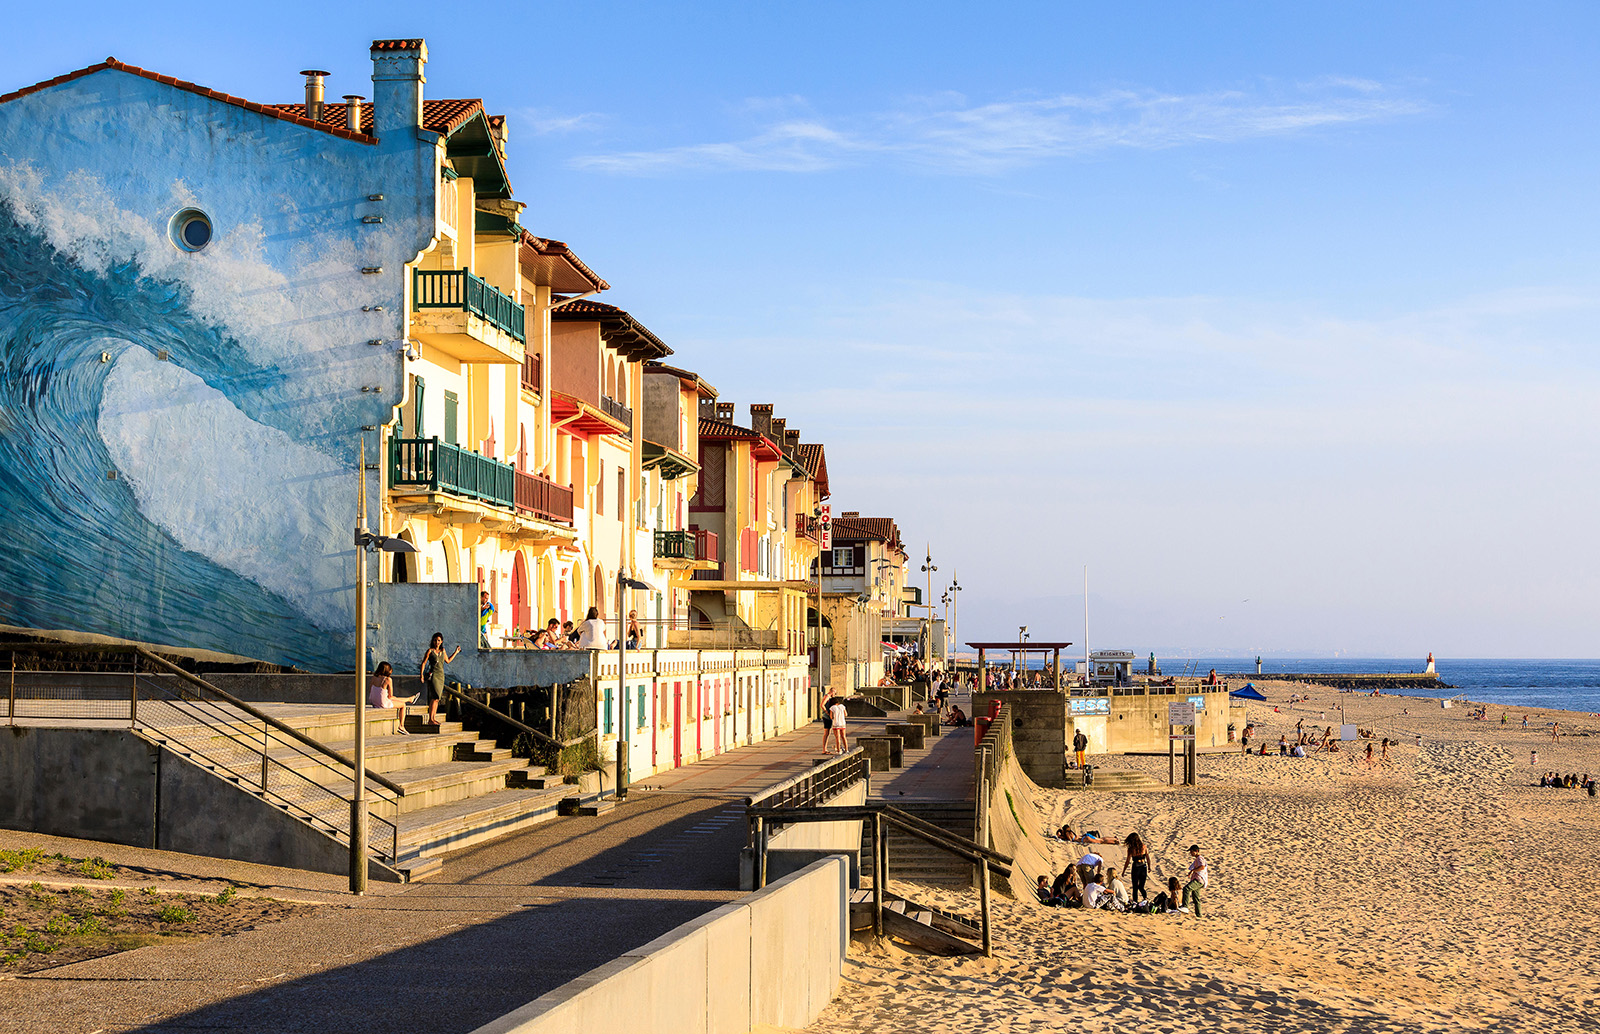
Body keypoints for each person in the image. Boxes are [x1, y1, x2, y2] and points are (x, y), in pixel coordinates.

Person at [420, 633, 460, 729]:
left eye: (438, 640)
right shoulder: (430, 651)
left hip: (441, 676)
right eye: (435, 640)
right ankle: (430, 719)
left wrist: (456, 652)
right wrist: (421, 675)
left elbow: (448, 660)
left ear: (441, 641)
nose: (436, 642)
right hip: (434, 675)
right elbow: (424, 663)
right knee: (435, 696)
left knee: (437, 699)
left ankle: (433, 718)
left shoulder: (443, 650)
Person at [367, 661, 409, 733]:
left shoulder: (374, 677)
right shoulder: (388, 679)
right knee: (403, 705)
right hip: (382, 703)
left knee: (393, 699)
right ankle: (401, 726)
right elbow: (390, 696)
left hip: (373, 701)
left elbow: (371, 689)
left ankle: (410, 699)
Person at [1183, 844, 1208, 918]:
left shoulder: (1200, 858)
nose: (1191, 853)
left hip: (1199, 880)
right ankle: (1199, 915)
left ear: (1196, 851)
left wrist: (1194, 870)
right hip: (1198, 880)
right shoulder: (1197, 859)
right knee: (1196, 898)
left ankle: (1185, 906)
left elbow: (1202, 867)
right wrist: (1192, 871)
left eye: (1192, 851)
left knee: (1186, 889)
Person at [1124, 832, 1150, 902]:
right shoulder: (1144, 847)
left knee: (1135, 887)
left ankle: (1135, 901)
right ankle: (1145, 898)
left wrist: (1124, 871)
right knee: (1141, 886)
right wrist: (1149, 867)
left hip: (1136, 868)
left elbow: (1127, 861)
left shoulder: (1131, 849)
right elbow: (1147, 858)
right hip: (1143, 867)